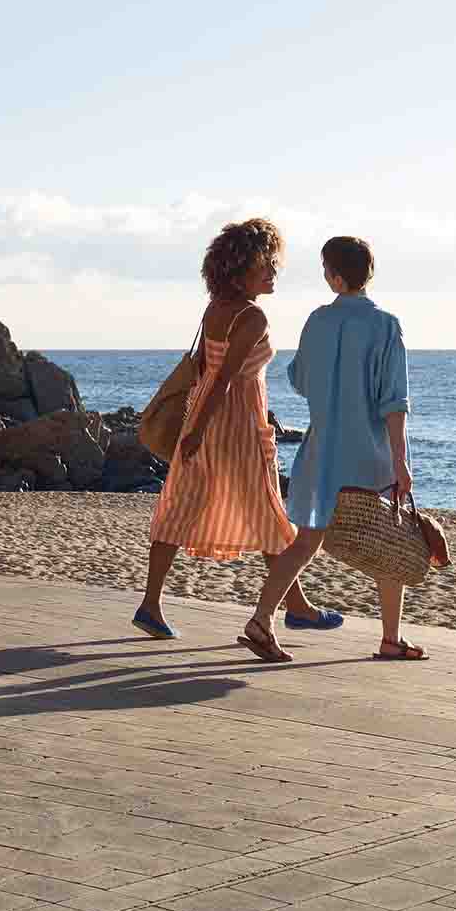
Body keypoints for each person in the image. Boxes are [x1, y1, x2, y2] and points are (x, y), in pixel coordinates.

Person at [133, 218, 332, 653]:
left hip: (205, 415)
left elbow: (206, 371)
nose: (274, 272)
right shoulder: (252, 315)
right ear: (242, 266)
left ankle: (151, 604)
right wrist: (199, 431)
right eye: (267, 264)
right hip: (233, 421)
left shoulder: (214, 309)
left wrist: (193, 428)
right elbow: (224, 379)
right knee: (265, 510)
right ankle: (292, 608)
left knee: (182, 505)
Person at [254, 236, 425, 660]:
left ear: (333, 275)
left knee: (305, 543)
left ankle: (260, 619)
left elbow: (299, 380)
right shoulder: (386, 324)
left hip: (321, 452)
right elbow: (394, 401)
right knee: (389, 544)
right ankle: (390, 639)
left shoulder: (317, 320)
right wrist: (402, 461)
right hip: (368, 454)